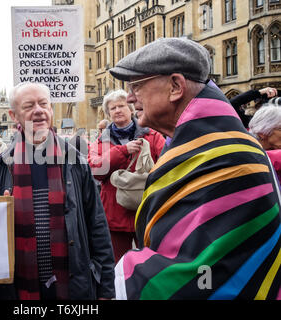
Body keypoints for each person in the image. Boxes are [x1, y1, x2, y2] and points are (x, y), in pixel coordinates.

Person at [109, 37, 280, 300]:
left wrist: (126, 276)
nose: (131, 97)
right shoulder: (199, 145)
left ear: (176, 86)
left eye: (137, 86)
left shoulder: (228, 153)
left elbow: (204, 273)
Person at [0, 82, 115, 300]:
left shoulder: (75, 162)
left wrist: (106, 289)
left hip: (72, 288)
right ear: (14, 115)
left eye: (44, 103)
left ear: (51, 109)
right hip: (20, 288)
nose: (39, 110)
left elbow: (97, 225)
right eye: (29, 106)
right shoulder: (0, 167)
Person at [88, 90, 165, 262]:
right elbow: (95, 170)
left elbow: (167, 162)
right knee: (117, 265)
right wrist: (122, 151)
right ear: (108, 114)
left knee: (150, 261)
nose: (117, 110)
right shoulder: (101, 141)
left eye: (121, 106)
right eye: (113, 108)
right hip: (115, 215)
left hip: (147, 210)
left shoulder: (151, 135)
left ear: (130, 109)